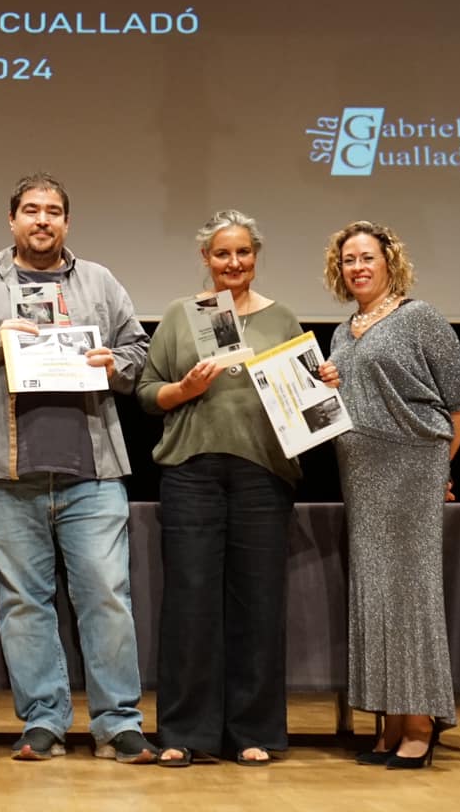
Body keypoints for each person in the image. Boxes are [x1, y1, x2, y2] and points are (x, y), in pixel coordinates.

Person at [0, 173, 161, 764]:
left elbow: (139, 353)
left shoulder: (100, 281)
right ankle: (44, 720)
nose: (42, 220)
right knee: (22, 602)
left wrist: (114, 362)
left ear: (66, 221)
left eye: (53, 211)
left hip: (93, 471)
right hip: (6, 471)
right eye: (31, 210)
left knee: (107, 596)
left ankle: (118, 723)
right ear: (12, 220)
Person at [137, 210, 308, 766]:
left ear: (255, 256)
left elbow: (306, 398)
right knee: (189, 602)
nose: (233, 262)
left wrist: (322, 382)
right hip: (192, 470)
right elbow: (147, 393)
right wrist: (183, 389)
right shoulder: (180, 315)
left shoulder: (282, 318)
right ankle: (185, 732)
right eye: (222, 253)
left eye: (243, 252)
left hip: (263, 472)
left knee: (258, 603)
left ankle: (252, 732)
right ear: (206, 259)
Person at [321, 220, 460, 770]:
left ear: (390, 262)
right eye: (348, 260)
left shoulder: (420, 317)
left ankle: (421, 723)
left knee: (411, 596)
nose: (358, 267)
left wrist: (440, 468)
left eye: (367, 257)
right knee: (375, 594)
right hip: (359, 473)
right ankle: (388, 722)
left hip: (411, 467)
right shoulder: (342, 333)